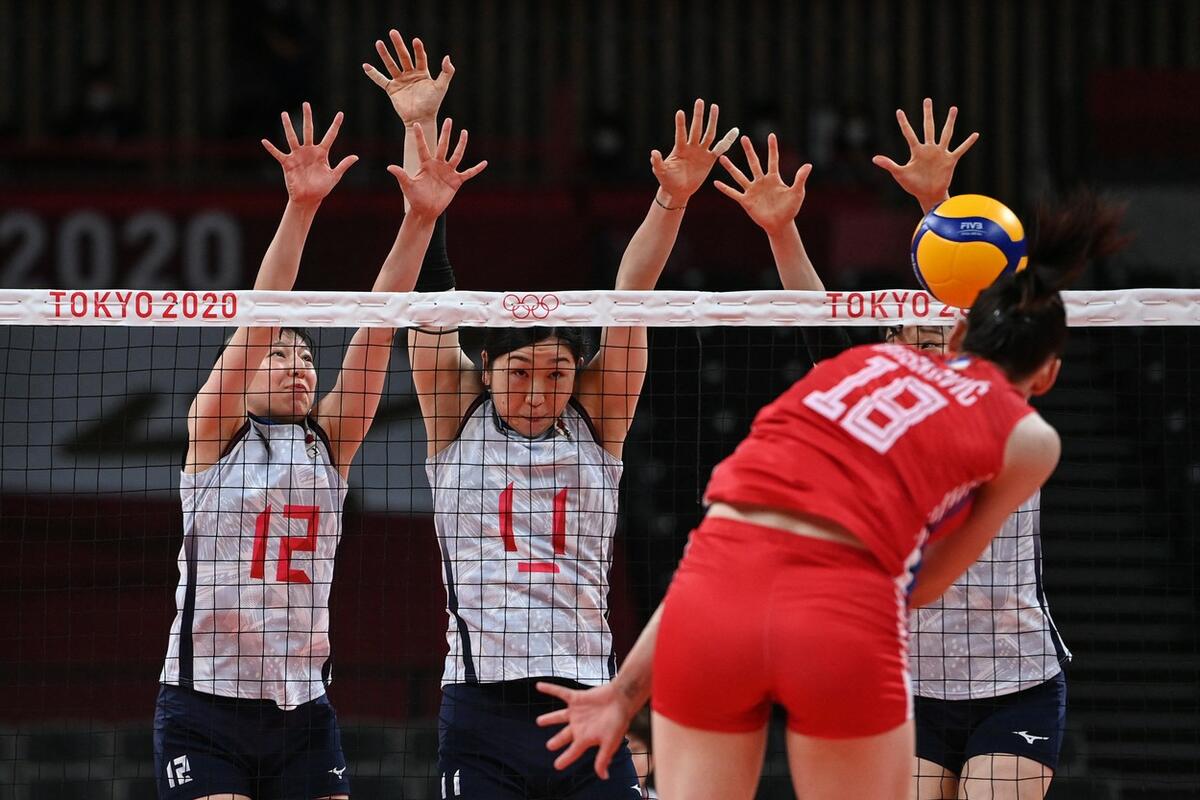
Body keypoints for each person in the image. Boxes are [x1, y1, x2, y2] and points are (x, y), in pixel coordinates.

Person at [536, 188, 1131, 800]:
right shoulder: (1027, 438)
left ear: (955, 333)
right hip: (840, 620)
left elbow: (723, 550)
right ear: (1049, 372)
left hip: (709, 605)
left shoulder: (858, 368)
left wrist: (625, 692)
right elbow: (923, 583)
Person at [364, 29, 737, 800]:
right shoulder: (454, 414)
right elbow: (426, 293)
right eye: (520, 374)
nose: (538, 391)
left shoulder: (598, 419)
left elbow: (632, 296)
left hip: (586, 697)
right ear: (486, 369)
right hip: (480, 708)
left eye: (558, 373)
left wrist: (672, 198)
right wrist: (419, 127)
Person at [722, 99, 1088, 799]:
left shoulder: (1001, 400)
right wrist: (782, 231)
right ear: (890, 351)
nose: (935, 348)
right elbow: (818, 327)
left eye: (948, 337)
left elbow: (968, 278)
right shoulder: (875, 426)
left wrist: (937, 206)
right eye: (917, 338)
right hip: (912, 684)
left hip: (1016, 679)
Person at [154, 103, 485, 800]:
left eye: (305, 356)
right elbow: (261, 314)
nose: (298, 365)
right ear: (246, 372)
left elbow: (379, 326)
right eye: (280, 355)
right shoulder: (214, 430)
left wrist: (419, 220)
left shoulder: (329, 442)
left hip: (304, 708)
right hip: (205, 705)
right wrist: (301, 207)